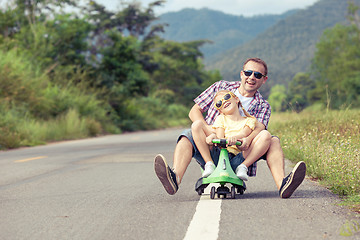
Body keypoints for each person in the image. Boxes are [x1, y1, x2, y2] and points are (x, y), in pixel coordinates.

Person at [154, 57, 306, 198]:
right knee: (188, 134)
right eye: (248, 72)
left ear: (264, 80)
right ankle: (175, 178)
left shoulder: (263, 106)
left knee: (272, 140)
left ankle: (283, 184)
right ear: (242, 74)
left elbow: (260, 129)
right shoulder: (221, 87)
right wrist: (210, 132)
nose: (252, 77)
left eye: (257, 75)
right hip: (212, 150)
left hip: (240, 155)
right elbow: (195, 111)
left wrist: (246, 139)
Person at [192, 90, 271, 181]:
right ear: (220, 111)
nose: (224, 102)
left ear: (236, 99)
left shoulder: (249, 121)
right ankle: (209, 163)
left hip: (237, 157)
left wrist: (235, 139)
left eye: (226, 97)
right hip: (220, 157)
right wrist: (213, 137)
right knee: (197, 124)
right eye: (219, 103)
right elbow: (220, 137)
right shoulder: (221, 119)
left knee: (266, 134)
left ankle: (243, 166)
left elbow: (244, 133)